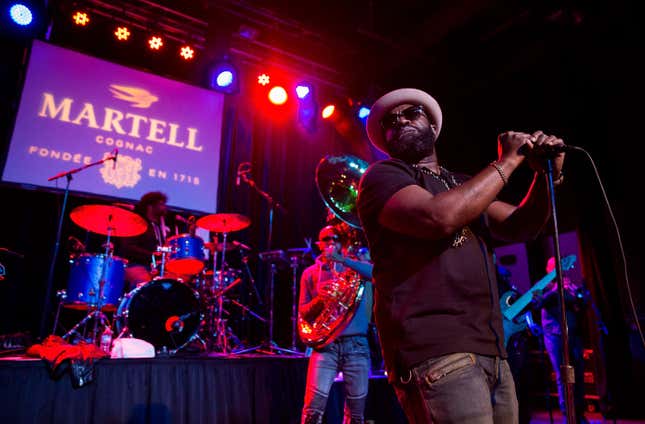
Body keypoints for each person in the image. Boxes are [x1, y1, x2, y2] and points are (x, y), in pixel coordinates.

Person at [356, 88, 566, 423]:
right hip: (437, 350)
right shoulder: (383, 177)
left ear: (433, 127)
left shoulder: (462, 183)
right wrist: (508, 160)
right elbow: (439, 217)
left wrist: (546, 176)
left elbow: (521, 227)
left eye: (410, 113)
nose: (399, 121)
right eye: (389, 121)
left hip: (491, 350)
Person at [299, 224, 374, 424]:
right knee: (312, 413)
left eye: (336, 239)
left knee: (356, 416)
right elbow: (303, 313)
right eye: (326, 239)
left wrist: (344, 261)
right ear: (319, 244)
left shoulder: (357, 267)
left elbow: (377, 274)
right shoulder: (310, 273)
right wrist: (320, 300)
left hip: (357, 345)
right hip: (325, 347)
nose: (331, 243)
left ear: (344, 243)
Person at [540, 256, 589, 424]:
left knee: (578, 375)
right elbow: (538, 303)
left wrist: (576, 292)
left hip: (573, 335)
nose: (559, 270)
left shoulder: (568, 285)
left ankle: (580, 413)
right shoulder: (544, 287)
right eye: (555, 267)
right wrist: (556, 289)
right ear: (549, 270)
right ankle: (568, 415)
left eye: (560, 267)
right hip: (554, 336)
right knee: (563, 376)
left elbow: (581, 304)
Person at [116, 191, 170, 289]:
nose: (165, 207)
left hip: (155, 267)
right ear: (150, 206)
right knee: (145, 283)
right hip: (135, 264)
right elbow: (127, 247)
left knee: (172, 284)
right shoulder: (137, 223)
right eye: (161, 204)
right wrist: (152, 255)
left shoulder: (160, 227)